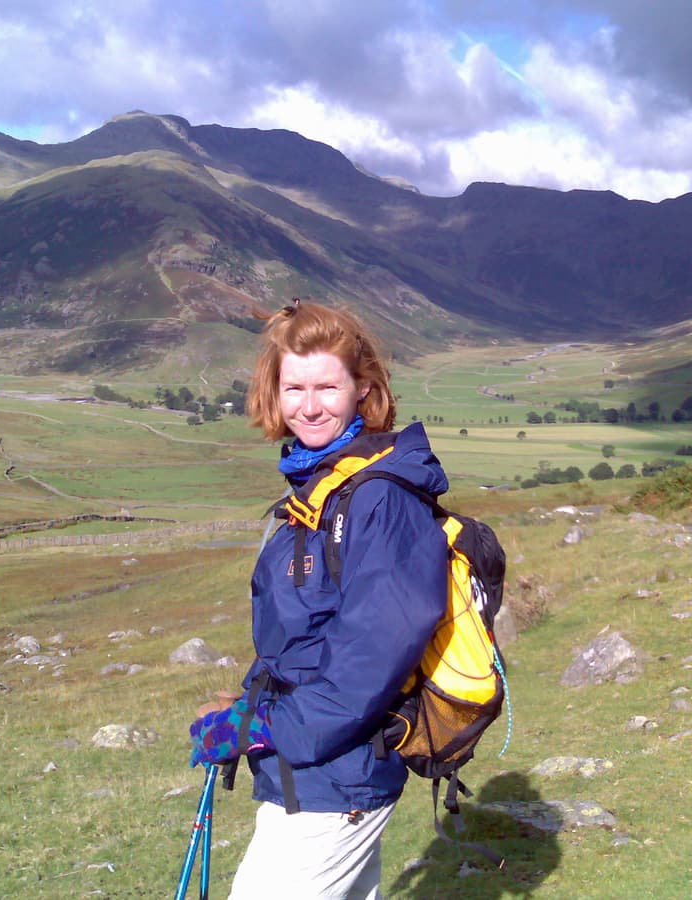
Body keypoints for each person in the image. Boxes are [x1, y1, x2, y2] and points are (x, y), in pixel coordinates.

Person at [190, 299, 448, 898]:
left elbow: (370, 659)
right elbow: (302, 639)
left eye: (328, 387)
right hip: (311, 773)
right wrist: (244, 709)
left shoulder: (380, 500)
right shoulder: (319, 490)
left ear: (363, 388)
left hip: (338, 781)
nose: (310, 406)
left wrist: (261, 726)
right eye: (294, 387)